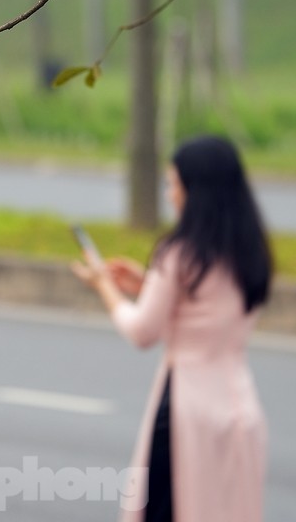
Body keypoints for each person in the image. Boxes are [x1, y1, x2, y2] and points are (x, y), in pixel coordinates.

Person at [73, 134, 273, 522]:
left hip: (187, 413)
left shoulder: (179, 253)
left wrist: (106, 288)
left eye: (173, 184)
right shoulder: (249, 250)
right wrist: (150, 284)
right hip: (241, 411)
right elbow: (206, 315)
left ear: (195, 191)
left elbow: (141, 332)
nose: (169, 194)